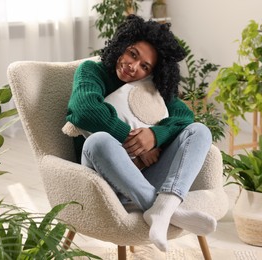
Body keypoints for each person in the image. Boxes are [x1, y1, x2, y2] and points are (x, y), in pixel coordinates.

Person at [65, 14, 216, 252]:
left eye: (145, 66)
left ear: (152, 72)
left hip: (146, 178)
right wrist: (134, 140)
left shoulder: (150, 87)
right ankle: (168, 210)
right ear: (122, 46)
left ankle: (163, 207)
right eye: (132, 54)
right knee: (98, 141)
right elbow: (85, 110)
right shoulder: (91, 71)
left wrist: (155, 136)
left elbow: (184, 117)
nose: (133, 66)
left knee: (200, 131)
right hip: (104, 182)